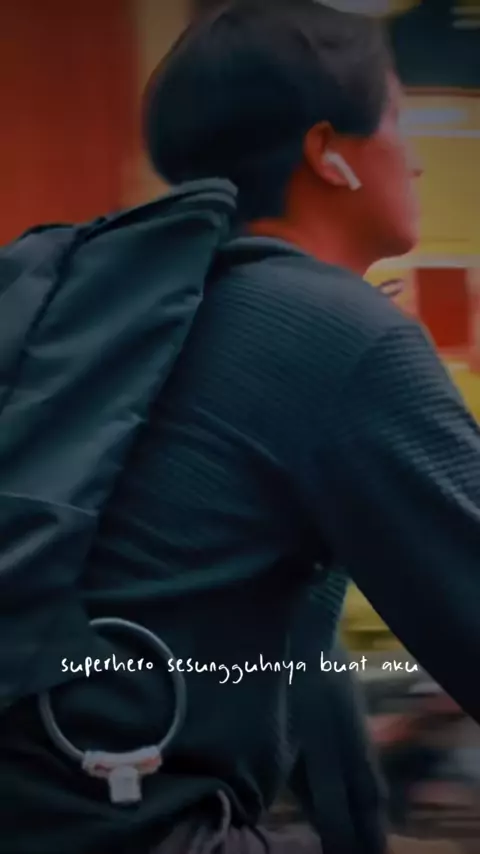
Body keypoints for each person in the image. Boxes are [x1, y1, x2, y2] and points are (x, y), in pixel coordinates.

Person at [1, 1, 480, 852]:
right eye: (397, 118)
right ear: (328, 153)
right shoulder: (332, 333)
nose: (412, 160)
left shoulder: (138, 309)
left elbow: (297, 655)